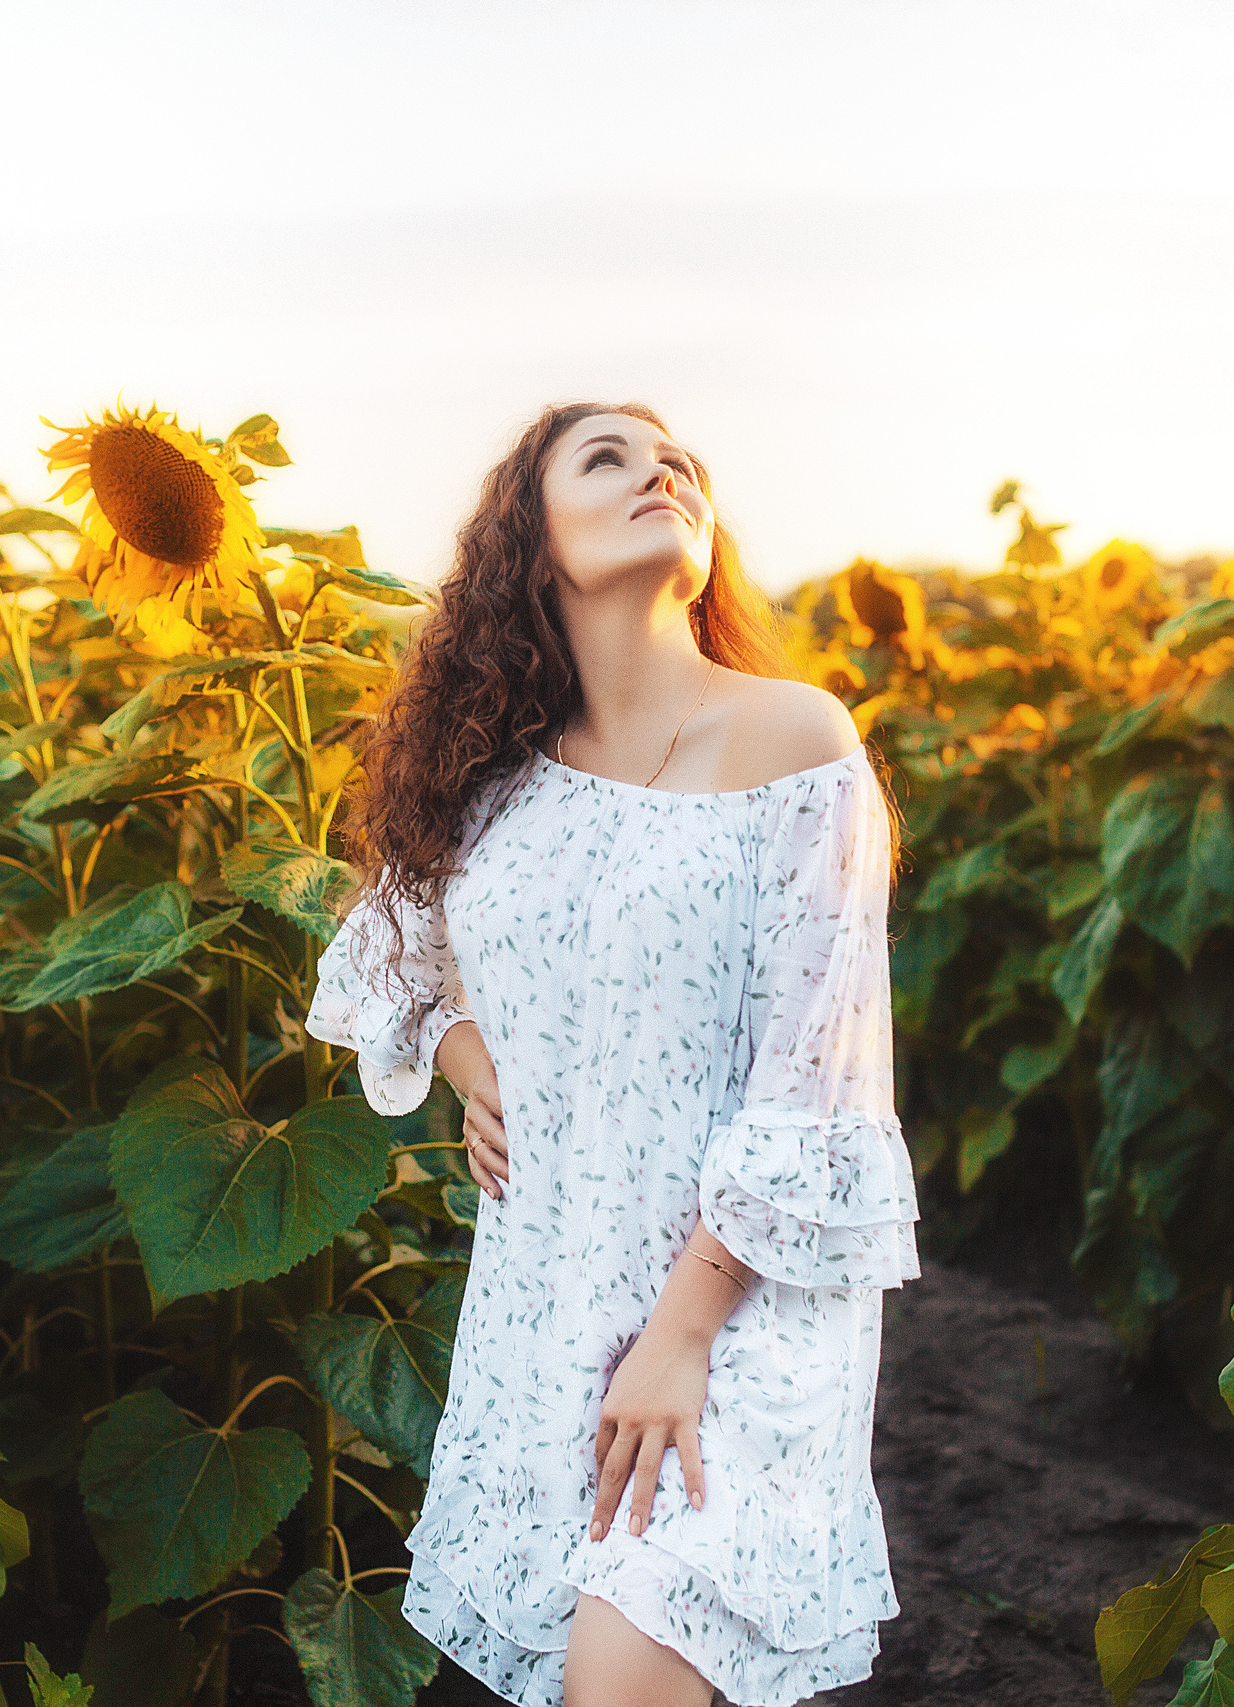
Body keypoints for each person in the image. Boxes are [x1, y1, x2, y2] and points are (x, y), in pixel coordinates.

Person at [303, 402, 920, 1707]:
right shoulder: (490, 781)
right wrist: (479, 1069)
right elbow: (400, 960)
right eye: (610, 458)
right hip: (552, 1297)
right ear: (531, 549)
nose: (663, 471)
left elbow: (820, 1081)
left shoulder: (797, 743)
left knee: (630, 1666)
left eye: (679, 461)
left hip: (732, 1307)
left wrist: (682, 1336)